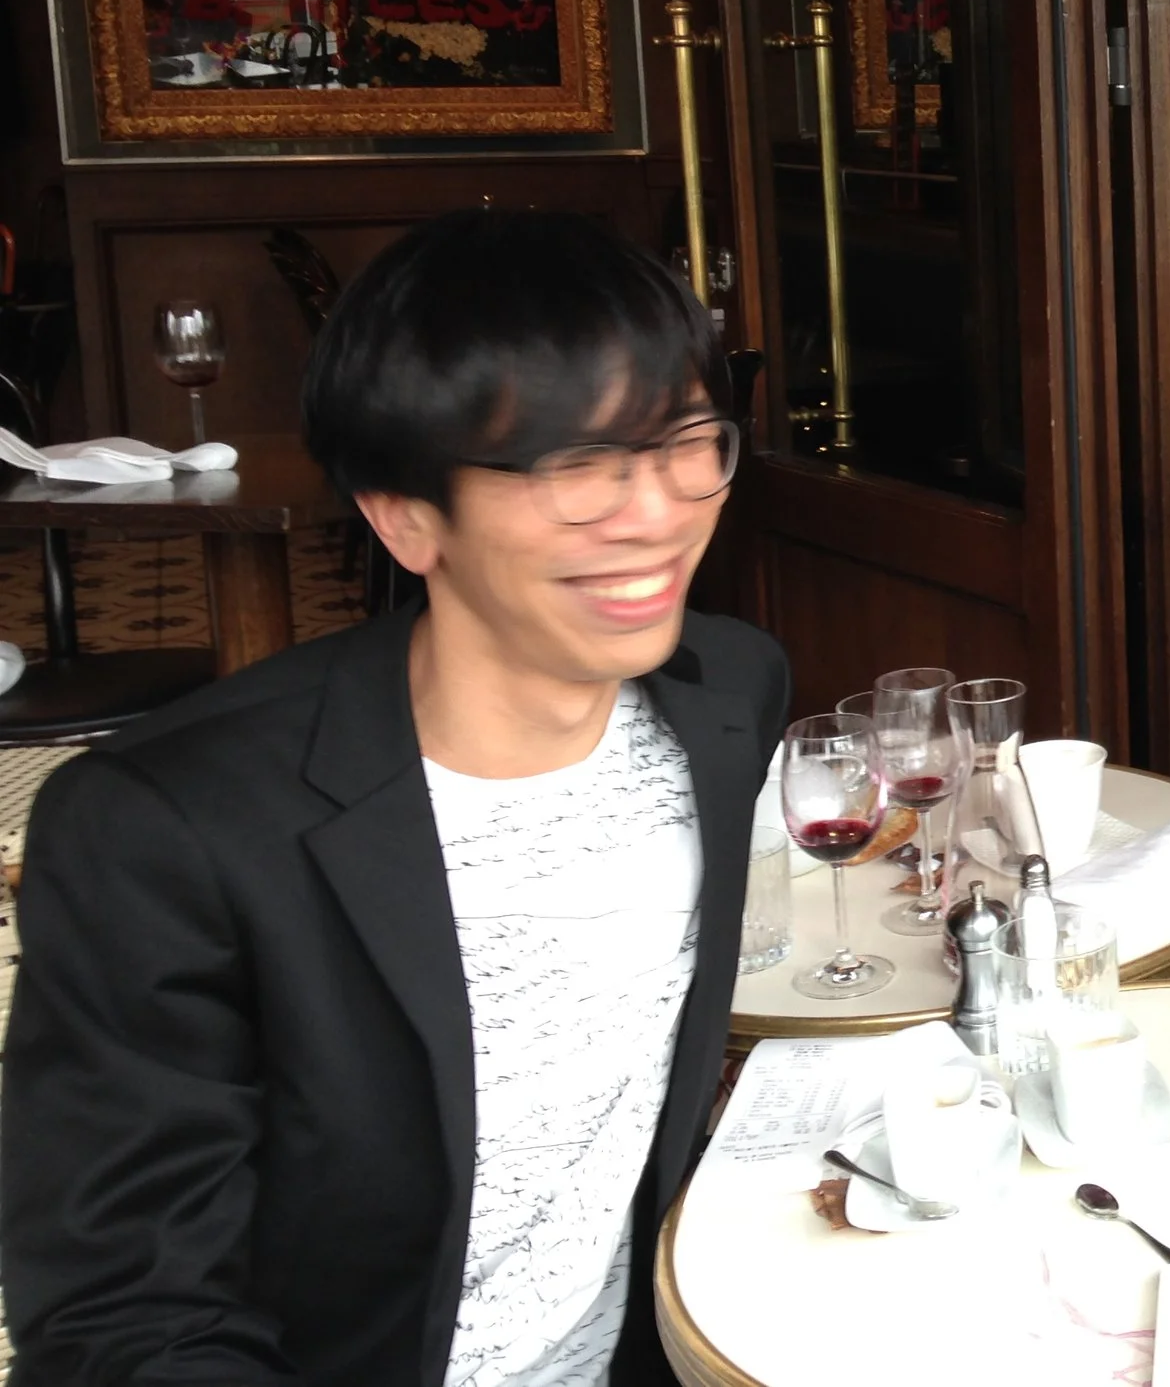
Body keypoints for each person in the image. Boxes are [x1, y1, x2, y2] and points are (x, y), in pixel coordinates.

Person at [2, 211, 789, 1386]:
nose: (657, 512)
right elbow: (122, 1318)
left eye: (684, 441)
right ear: (403, 514)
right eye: (573, 466)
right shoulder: (163, 830)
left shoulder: (727, 695)